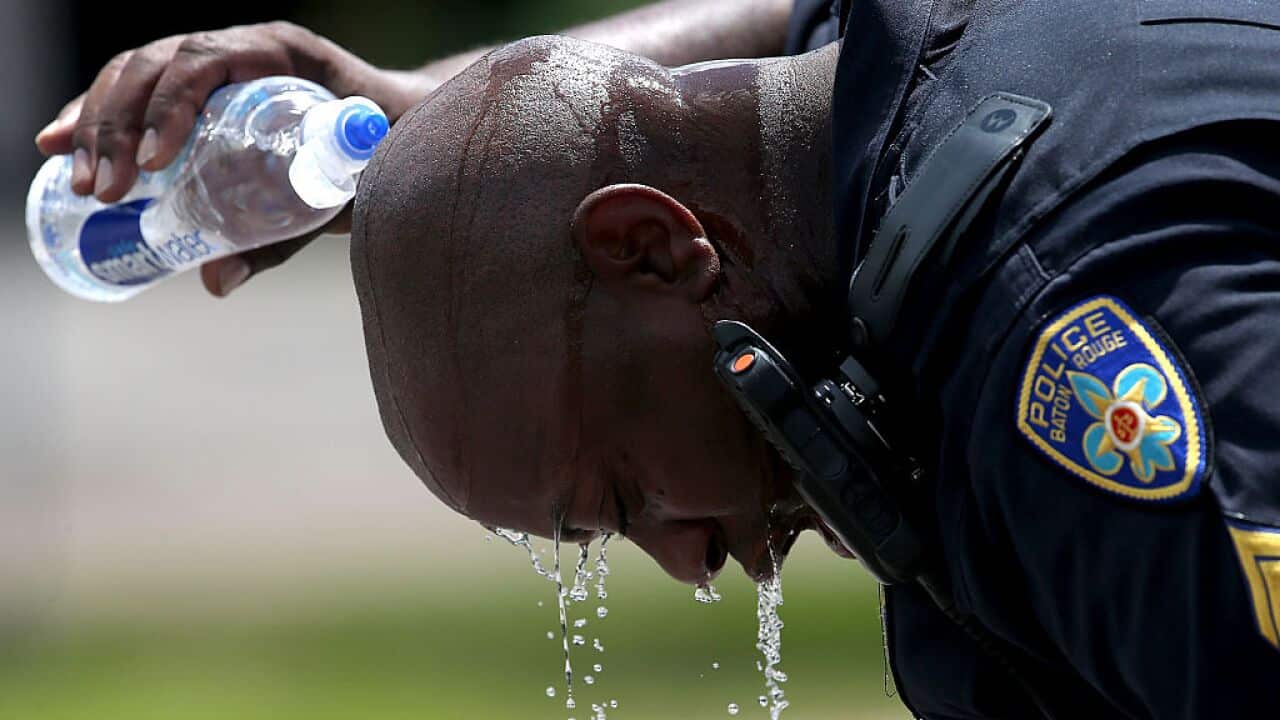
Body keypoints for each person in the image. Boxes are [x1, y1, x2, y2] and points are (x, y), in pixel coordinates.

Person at [38, 1, 1280, 717]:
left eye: (623, 497)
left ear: (658, 248)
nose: (688, 558)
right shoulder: (944, 55)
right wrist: (426, 111)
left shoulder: (1061, 372)